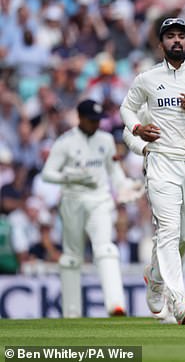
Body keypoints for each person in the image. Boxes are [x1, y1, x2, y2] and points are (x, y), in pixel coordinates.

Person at [120, 17, 185, 325]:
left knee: (184, 237)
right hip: (162, 160)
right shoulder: (147, 79)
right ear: (160, 43)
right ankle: (178, 302)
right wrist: (138, 132)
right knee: (168, 230)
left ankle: (155, 277)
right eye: (170, 36)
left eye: (181, 36)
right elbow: (126, 110)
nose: (176, 40)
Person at [42, 99, 144, 318]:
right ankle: (71, 312)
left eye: (98, 120)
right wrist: (71, 176)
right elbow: (47, 173)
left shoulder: (105, 140)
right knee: (72, 257)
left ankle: (116, 304)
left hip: (99, 199)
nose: (96, 124)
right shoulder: (65, 142)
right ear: (80, 118)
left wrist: (125, 186)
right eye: (91, 120)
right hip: (72, 200)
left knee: (106, 249)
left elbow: (114, 171)